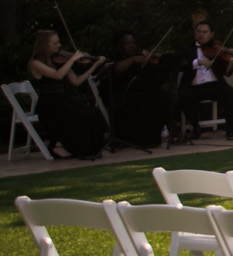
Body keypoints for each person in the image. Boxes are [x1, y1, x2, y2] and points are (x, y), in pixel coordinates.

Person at [26, 30, 106, 160]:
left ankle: (92, 149)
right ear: (45, 45)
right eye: (55, 42)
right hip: (50, 106)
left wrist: (94, 66)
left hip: (64, 101)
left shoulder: (60, 61)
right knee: (82, 116)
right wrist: (72, 59)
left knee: (93, 112)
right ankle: (64, 146)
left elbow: (76, 81)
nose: (59, 45)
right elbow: (58, 75)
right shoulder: (35, 63)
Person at [178, 20, 233, 141]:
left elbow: (224, 70)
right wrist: (198, 62)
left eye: (205, 32)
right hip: (193, 85)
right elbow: (180, 63)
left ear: (211, 34)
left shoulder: (217, 48)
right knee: (183, 96)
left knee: (231, 94)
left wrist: (230, 60)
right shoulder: (186, 48)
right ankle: (196, 128)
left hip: (214, 84)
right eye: (199, 32)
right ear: (195, 33)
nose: (201, 34)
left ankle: (232, 129)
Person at [104, 31, 171, 152]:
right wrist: (133, 59)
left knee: (162, 97)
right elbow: (115, 71)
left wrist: (151, 61)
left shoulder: (142, 56)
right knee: (142, 100)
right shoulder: (114, 58)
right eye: (127, 44)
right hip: (123, 95)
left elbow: (155, 78)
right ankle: (143, 139)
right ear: (119, 46)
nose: (131, 46)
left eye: (133, 43)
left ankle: (160, 135)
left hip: (143, 92)